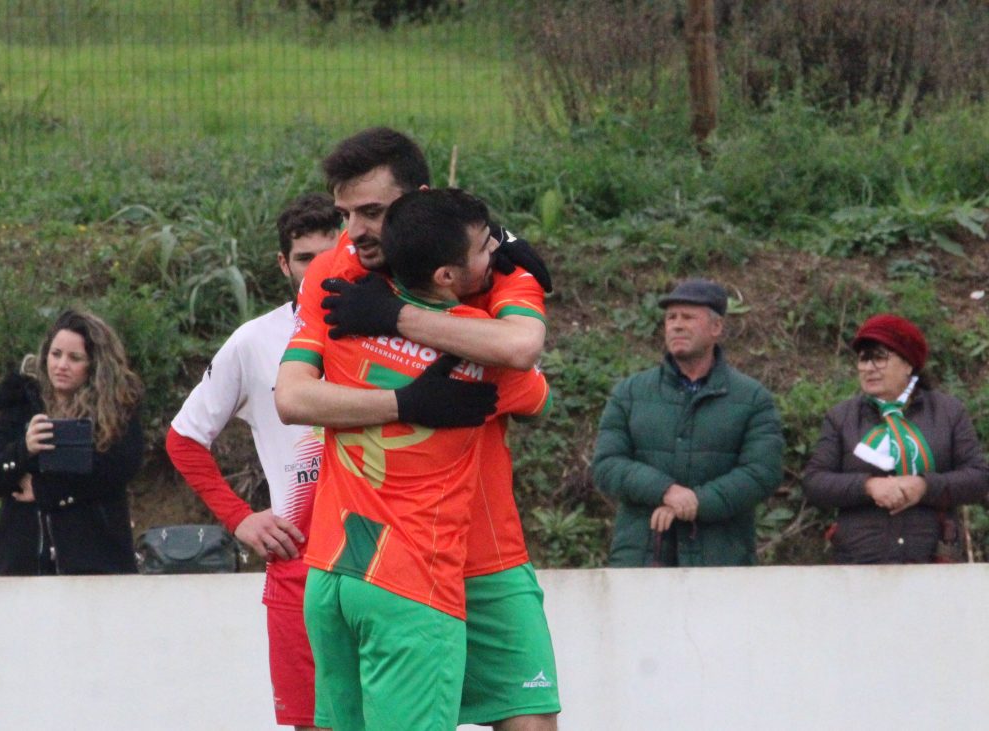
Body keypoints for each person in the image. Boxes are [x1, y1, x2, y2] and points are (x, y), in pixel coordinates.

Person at [276, 128, 561, 730]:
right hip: (377, 553)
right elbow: (293, 397)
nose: (354, 232)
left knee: (530, 720)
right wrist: (407, 403)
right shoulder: (332, 272)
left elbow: (520, 347)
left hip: (484, 549)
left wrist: (396, 317)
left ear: (418, 201)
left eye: (372, 212)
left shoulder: (495, 269)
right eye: (345, 214)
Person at [165, 192, 340, 731]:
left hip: (382, 557)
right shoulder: (254, 341)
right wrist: (240, 518)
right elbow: (183, 439)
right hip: (300, 563)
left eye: (331, 255)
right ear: (284, 264)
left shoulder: (389, 329)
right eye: (306, 258)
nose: (319, 269)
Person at [592, 278, 784, 567]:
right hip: (642, 558)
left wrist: (697, 502)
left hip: (722, 560)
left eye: (688, 317)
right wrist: (666, 491)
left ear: (716, 327)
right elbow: (607, 465)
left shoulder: (753, 398)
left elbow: (761, 473)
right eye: (671, 318)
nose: (676, 326)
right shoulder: (629, 393)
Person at [803, 314, 989, 563]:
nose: (869, 368)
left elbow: (978, 478)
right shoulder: (842, 417)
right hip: (859, 561)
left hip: (932, 560)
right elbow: (815, 482)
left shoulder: (948, 412)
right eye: (863, 359)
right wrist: (868, 486)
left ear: (908, 364)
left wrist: (924, 486)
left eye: (879, 358)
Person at [0, 309, 144, 575]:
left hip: (95, 560)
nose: (61, 365)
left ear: (94, 364)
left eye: (74, 358)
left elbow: (119, 467)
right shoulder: (22, 402)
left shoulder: (116, 409)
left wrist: (45, 490)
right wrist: (24, 450)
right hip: (23, 563)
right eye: (56, 354)